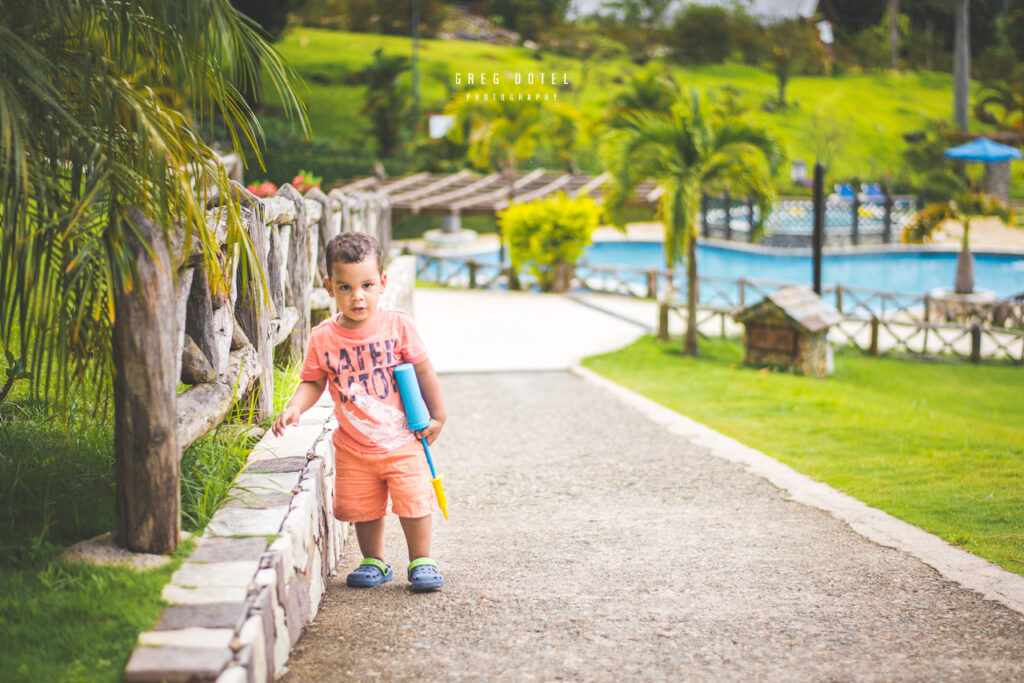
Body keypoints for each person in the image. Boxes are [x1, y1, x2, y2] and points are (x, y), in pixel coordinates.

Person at [272, 232, 447, 592]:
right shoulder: (323, 337)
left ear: (382, 283)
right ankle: (374, 560)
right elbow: (313, 381)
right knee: (363, 507)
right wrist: (294, 407)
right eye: (345, 287)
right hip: (353, 446)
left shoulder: (398, 326)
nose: (357, 297)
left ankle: (421, 560)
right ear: (329, 287)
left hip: (403, 439)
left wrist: (438, 416)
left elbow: (425, 369)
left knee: (413, 500)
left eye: (367, 285)